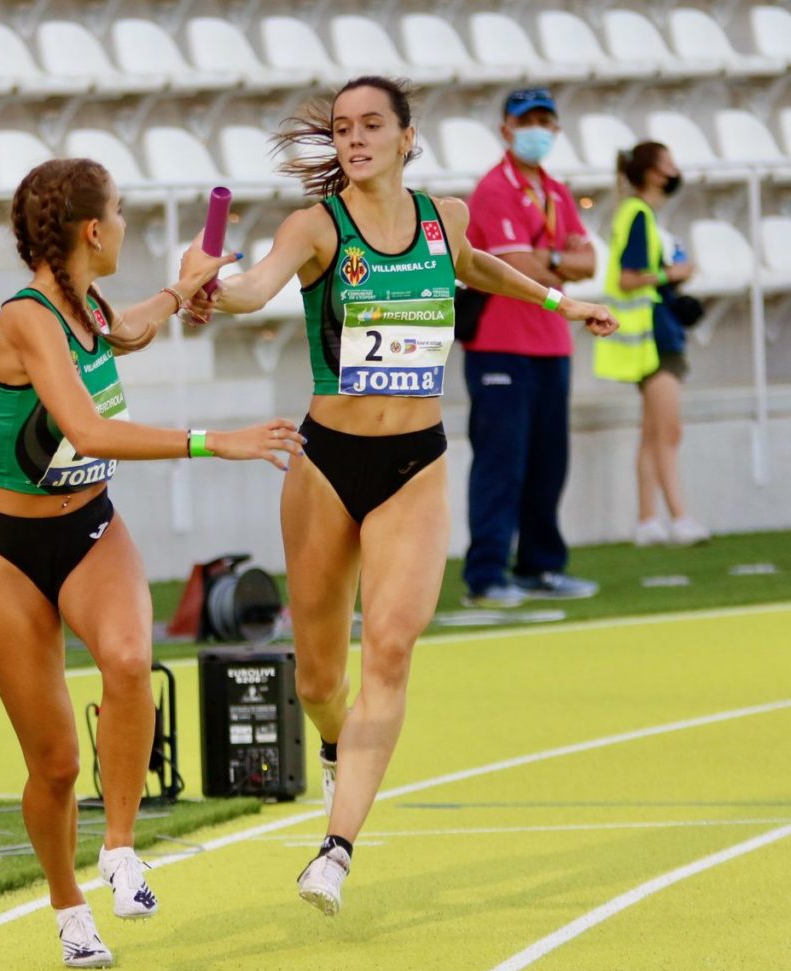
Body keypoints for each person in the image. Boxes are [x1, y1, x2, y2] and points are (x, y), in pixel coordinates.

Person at [206, 76, 617, 915]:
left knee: (390, 646)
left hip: (415, 466)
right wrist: (214, 283)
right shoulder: (316, 226)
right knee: (320, 677)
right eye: (342, 129)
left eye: (370, 126)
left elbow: (473, 266)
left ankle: (336, 848)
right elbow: (253, 292)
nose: (354, 139)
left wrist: (557, 299)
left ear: (405, 136)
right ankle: (333, 745)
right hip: (326, 467)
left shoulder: (446, 217)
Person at [0, 157, 305, 968]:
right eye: (118, 211)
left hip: (90, 528)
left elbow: (133, 327)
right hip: (7, 554)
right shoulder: (28, 319)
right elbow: (89, 429)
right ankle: (68, 904)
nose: (123, 223)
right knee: (53, 765)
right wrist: (213, 439)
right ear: (92, 230)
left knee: (128, 659)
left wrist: (185, 288)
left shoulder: (86, 306)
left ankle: (119, 848)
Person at [460, 86, 601, 609]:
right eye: (526, 121)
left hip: (551, 343)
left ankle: (541, 566)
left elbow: (591, 263)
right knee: (501, 461)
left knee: (548, 461)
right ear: (506, 129)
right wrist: (555, 258)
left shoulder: (558, 192)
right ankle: (486, 574)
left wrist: (550, 259)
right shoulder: (494, 189)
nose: (536, 130)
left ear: (556, 129)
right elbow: (516, 266)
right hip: (499, 342)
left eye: (545, 120)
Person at [600, 141, 710, 547]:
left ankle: (648, 520)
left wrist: (671, 280)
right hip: (654, 339)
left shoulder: (640, 216)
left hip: (657, 332)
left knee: (652, 432)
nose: (674, 170)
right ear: (652, 172)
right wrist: (671, 274)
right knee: (667, 431)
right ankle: (679, 517)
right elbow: (630, 279)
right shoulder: (639, 215)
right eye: (668, 163)